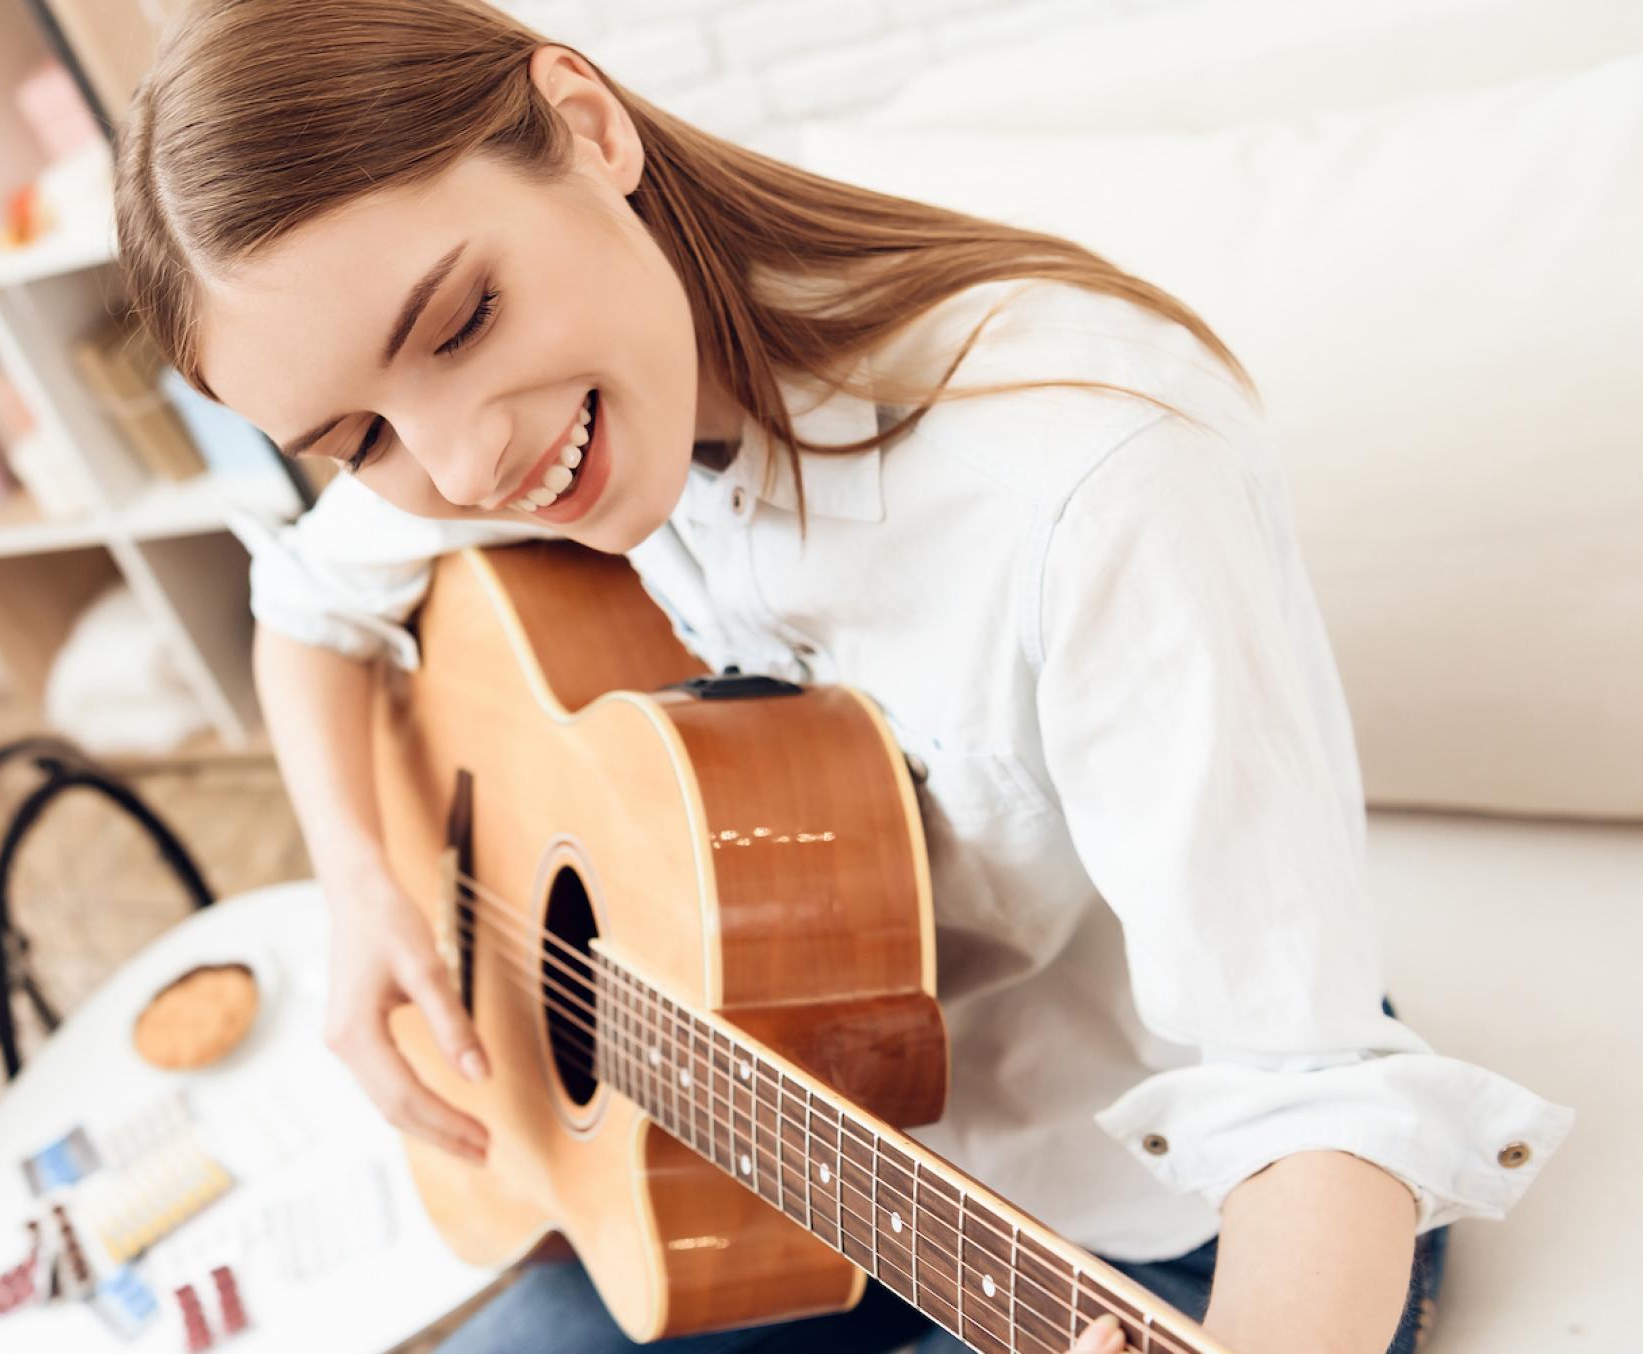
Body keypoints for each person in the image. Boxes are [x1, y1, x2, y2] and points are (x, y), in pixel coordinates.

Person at [111, 3, 1572, 1352]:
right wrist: (365, 890)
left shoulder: (1090, 476)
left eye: (460, 322)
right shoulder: (507, 426)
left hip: (1167, 1224)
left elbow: (1307, 1091)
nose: (459, 464)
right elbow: (305, 605)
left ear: (590, 126)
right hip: (776, 1132)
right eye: (357, 438)